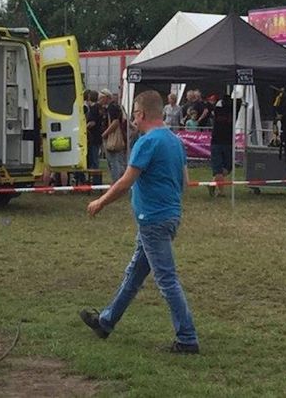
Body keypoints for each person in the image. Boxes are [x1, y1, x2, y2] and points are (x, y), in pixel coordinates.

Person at [79, 90, 200, 354]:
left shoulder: (147, 142)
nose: (133, 118)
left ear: (142, 114)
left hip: (152, 219)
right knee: (134, 274)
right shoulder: (175, 142)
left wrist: (100, 202)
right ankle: (106, 322)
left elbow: (126, 181)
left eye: (134, 113)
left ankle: (188, 337)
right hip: (169, 216)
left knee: (166, 279)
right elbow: (185, 183)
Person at [209, 94, 234, 197]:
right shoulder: (232, 110)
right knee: (220, 168)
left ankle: (213, 183)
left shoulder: (217, 110)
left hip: (222, 142)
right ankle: (221, 192)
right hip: (222, 142)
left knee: (227, 168)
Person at [101, 89, 128, 182]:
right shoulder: (117, 107)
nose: (100, 99)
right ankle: (122, 180)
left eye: (102, 97)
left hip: (111, 138)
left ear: (106, 97)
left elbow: (115, 122)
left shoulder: (111, 108)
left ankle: (116, 181)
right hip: (117, 136)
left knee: (113, 162)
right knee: (118, 160)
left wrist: (105, 133)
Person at [85, 90, 104, 185]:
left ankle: (95, 181)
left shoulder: (93, 108)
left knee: (93, 160)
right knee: (95, 159)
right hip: (98, 136)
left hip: (92, 137)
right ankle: (97, 181)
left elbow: (92, 122)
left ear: (89, 97)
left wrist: (84, 128)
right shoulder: (99, 108)